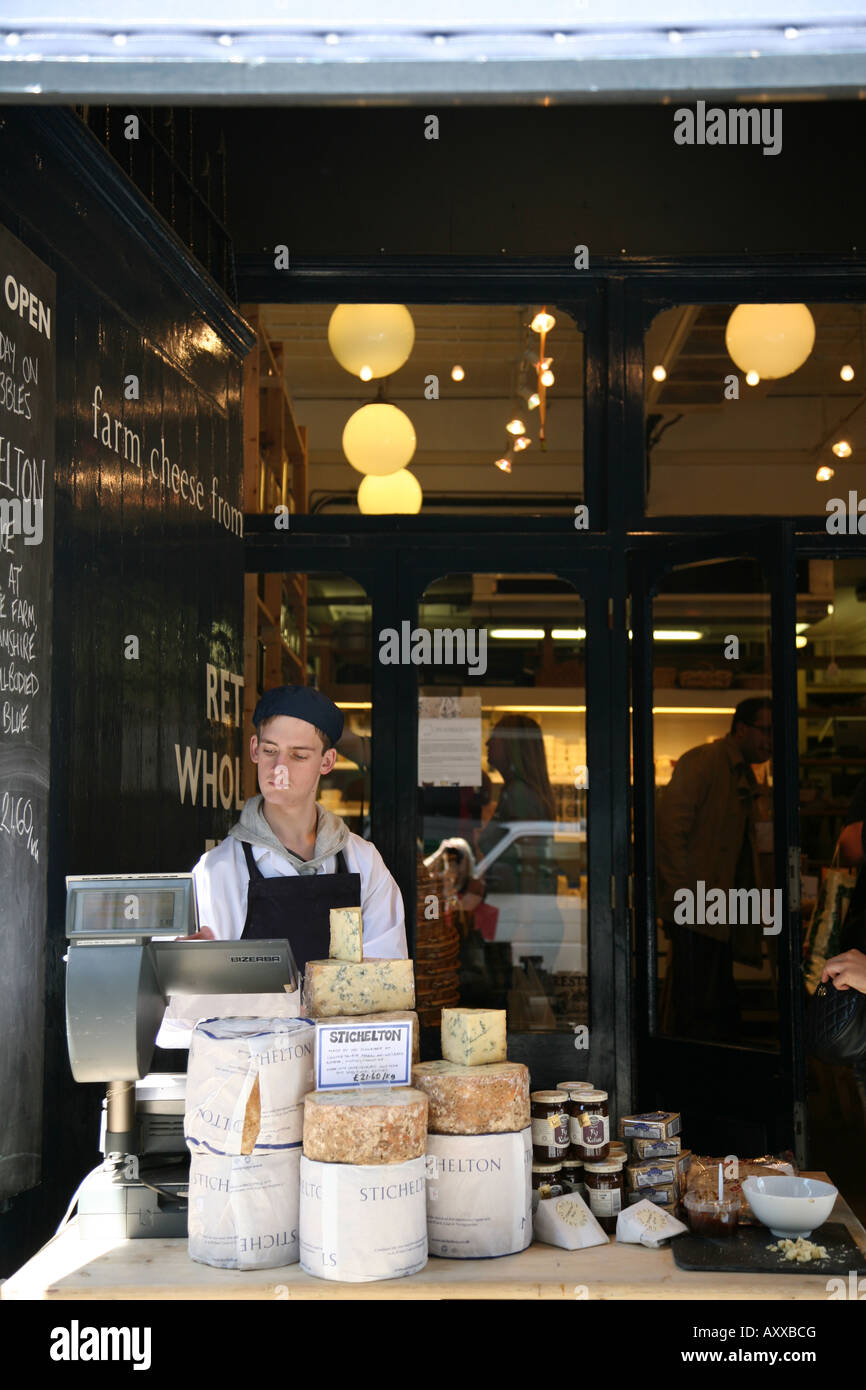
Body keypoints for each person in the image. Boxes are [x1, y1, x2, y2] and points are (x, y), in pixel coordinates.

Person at [158, 685, 406, 1042]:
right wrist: (184, 980)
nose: (280, 768)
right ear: (255, 750)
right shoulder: (219, 871)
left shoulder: (362, 862)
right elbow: (175, 1029)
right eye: (271, 750)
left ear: (327, 762)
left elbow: (389, 989)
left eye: (298, 755)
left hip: (343, 1070)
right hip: (253, 1077)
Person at [656, 697, 774, 1042]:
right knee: (698, 1008)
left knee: (713, 1003)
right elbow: (668, 830)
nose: (770, 740)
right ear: (741, 730)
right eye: (765, 730)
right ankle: (695, 1082)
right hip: (698, 908)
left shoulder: (740, 773)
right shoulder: (705, 763)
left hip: (715, 910)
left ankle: (706, 1081)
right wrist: (682, 898)